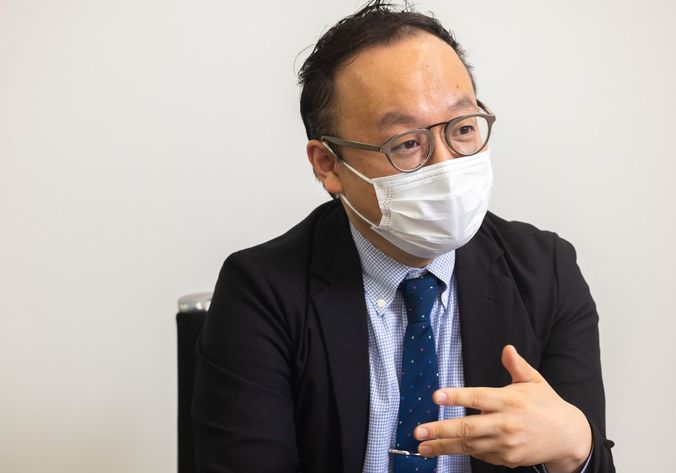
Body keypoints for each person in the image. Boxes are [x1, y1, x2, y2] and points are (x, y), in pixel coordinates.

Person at [191, 2, 615, 472]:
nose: (446, 166)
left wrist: (576, 447)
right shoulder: (263, 292)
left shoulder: (545, 273)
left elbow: (588, 457)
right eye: (407, 143)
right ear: (328, 165)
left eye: (463, 129)